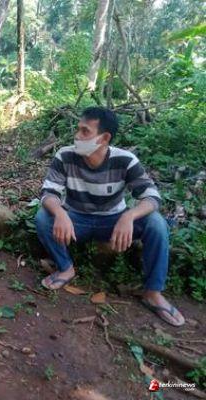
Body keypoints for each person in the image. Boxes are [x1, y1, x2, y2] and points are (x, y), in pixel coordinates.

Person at [35, 106, 185, 326]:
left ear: (104, 138)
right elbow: (49, 192)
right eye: (78, 129)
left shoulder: (125, 160)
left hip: (112, 221)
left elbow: (152, 197)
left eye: (85, 131)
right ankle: (66, 268)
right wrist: (60, 213)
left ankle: (153, 292)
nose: (77, 136)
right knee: (43, 217)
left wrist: (129, 216)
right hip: (76, 219)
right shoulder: (65, 155)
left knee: (156, 223)